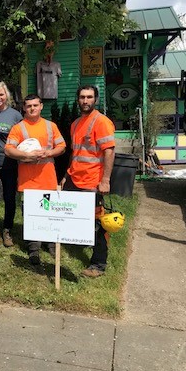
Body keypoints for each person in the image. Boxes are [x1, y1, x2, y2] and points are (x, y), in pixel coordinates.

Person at [61, 85, 116, 278]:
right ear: (78, 99)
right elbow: (75, 153)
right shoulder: (76, 123)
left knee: (98, 224)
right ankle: (79, 241)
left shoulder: (101, 122)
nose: (85, 101)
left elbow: (109, 151)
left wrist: (106, 180)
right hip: (75, 179)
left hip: (93, 182)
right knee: (72, 216)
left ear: (95, 99)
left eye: (89, 97)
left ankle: (98, 264)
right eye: (82, 97)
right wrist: (66, 175)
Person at [5, 94, 66, 265]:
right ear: (24, 108)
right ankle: (34, 249)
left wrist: (48, 153)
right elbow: (9, 149)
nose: (32, 108)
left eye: (35, 105)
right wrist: (26, 155)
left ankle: (51, 244)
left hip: (47, 178)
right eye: (28, 106)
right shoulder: (19, 128)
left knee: (49, 213)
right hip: (28, 181)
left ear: (41, 106)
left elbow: (62, 147)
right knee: (31, 215)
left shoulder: (50, 126)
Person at [0, 81, 23, 248]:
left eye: (1, 94)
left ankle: (7, 229)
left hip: (10, 164)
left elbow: (23, 139)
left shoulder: (15, 115)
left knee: (10, 198)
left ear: (6, 96)